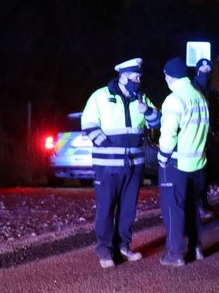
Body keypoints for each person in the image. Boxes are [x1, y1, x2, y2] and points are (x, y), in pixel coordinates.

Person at [81, 58, 161, 269]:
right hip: (107, 166)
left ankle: (124, 246)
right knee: (106, 209)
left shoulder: (141, 98)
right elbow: (88, 124)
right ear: (123, 76)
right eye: (135, 77)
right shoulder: (100, 96)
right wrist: (106, 146)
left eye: (139, 77)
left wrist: (148, 112)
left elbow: (157, 122)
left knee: (128, 209)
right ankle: (105, 251)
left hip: (135, 165)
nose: (138, 81)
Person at [158, 57, 210, 267]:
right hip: (198, 164)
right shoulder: (199, 97)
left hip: (177, 164)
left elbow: (169, 136)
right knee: (192, 207)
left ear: (169, 76)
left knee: (174, 208)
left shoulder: (174, 99)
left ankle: (175, 254)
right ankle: (196, 248)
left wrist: (162, 157)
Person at [191, 57, 219, 217]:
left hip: (207, 137)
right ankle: (196, 205)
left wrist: (216, 130)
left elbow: (214, 114)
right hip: (194, 137)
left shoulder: (210, 90)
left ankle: (203, 201)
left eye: (208, 71)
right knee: (197, 173)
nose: (205, 73)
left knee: (206, 172)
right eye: (202, 71)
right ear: (197, 71)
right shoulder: (193, 89)